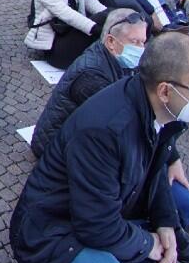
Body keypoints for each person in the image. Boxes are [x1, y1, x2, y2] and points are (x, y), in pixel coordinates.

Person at [8, 33, 189, 263]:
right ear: (165, 90)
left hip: (106, 211)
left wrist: (165, 224)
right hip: (51, 224)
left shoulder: (159, 112)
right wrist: (147, 244)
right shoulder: (106, 128)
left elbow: (157, 169)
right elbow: (96, 225)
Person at [30, 9, 148, 157]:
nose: (141, 49)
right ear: (111, 41)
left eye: (143, 42)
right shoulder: (92, 75)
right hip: (53, 148)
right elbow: (114, 123)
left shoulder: (112, 58)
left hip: (70, 139)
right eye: (134, 41)